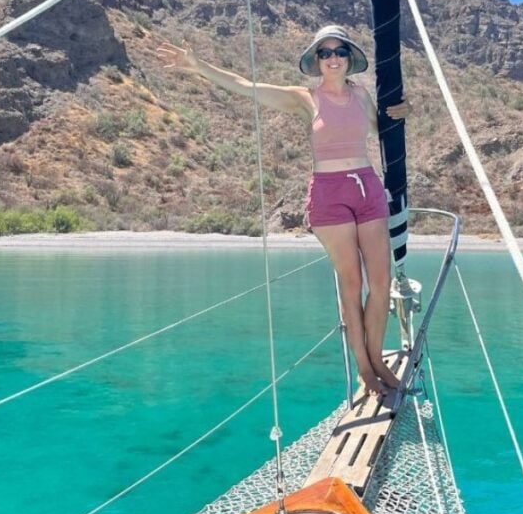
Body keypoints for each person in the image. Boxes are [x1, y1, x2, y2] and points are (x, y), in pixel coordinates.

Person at [157, 25, 410, 396]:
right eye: (325, 53)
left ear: (349, 57)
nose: (333, 58)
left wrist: (402, 113)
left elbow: (379, 129)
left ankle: (376, 357)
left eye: (339, 51)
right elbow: (247, 87)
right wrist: (199, 66)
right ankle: (363, 368)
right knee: (352, 284)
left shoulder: (361, 95)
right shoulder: (305, 98)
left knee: (382, 281)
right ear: (317, 61)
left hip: (368, 187)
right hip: (330, 193)